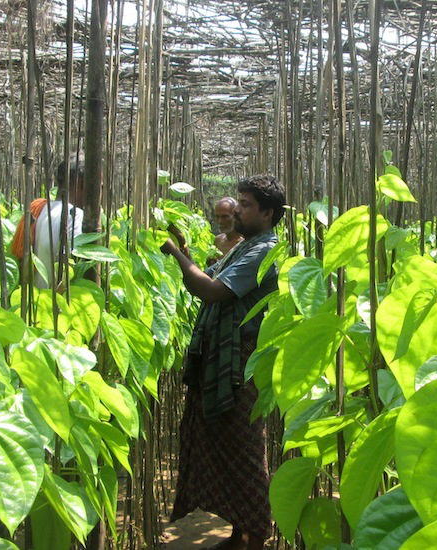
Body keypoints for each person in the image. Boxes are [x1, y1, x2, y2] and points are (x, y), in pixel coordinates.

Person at [163, 175, 285, 550]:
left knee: (246, 449)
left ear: (266, 213)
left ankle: (256, 535)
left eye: (246, 205)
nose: (237, 212)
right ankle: (238, 532)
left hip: (243, 364)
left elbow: (212, 291)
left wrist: (178, 255)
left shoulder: (265, 250)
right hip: (228, 360)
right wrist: (185, 252)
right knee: (227, 444)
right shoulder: (245, 246)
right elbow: (203, 281)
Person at [10, 155, 85, 289]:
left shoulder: (39, 209)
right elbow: (73, 271)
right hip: (56, 305)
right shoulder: (74, 215)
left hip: (36, 303)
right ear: (80, 185)